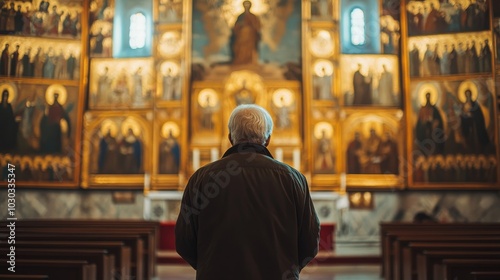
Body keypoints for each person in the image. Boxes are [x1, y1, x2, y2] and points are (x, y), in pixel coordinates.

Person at [175, 104, 320, 280]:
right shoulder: (292, 178)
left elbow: (184, 240)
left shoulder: (202, 178)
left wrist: (210, 266)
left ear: (230, 137)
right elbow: (310, 241)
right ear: (268, 139)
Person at [230, 0, 261, 65]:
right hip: (241, 36)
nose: (247, 7)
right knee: (241, 48)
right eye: (245, 5)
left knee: (249, 48)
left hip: (251, 36)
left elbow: (258, 26)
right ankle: (240, 60)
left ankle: (249, 61)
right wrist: (240, 26)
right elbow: (236, 26)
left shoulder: (253, 16)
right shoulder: (240, 16)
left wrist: (252, 25)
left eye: (248, 5)